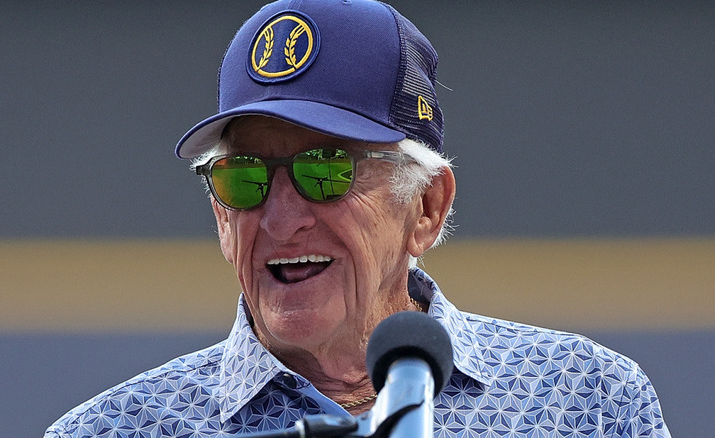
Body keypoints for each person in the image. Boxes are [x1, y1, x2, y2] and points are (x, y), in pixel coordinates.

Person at [45, 0, 670, 437]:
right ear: (219, 211)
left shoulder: (585, 402)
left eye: (327, 171)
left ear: (426, 207)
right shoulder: (114, 431)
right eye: (246, 178)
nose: (282, 220)